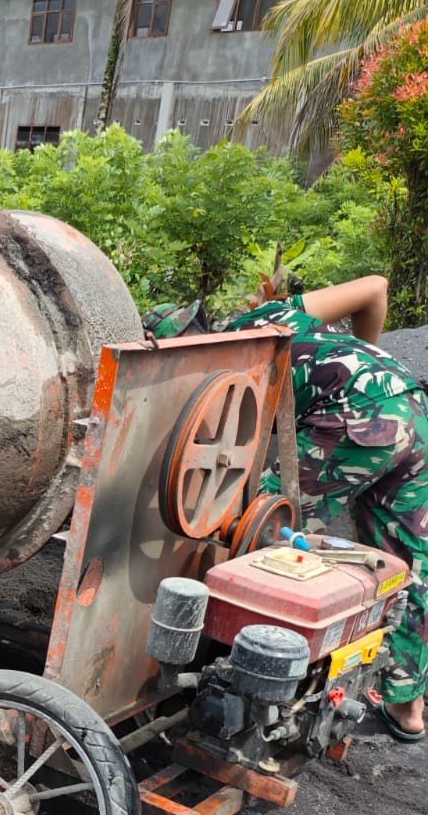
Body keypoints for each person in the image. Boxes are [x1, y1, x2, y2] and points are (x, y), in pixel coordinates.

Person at [147, 276, 428, 741]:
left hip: (353, 419)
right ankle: (408, 707)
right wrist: (360, 371)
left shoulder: (227, 357)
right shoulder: (273, 316)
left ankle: (249, 680)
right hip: (413, 410)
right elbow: (376, 288)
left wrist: (353, 399)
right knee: (407, 565)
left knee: (260, 532)